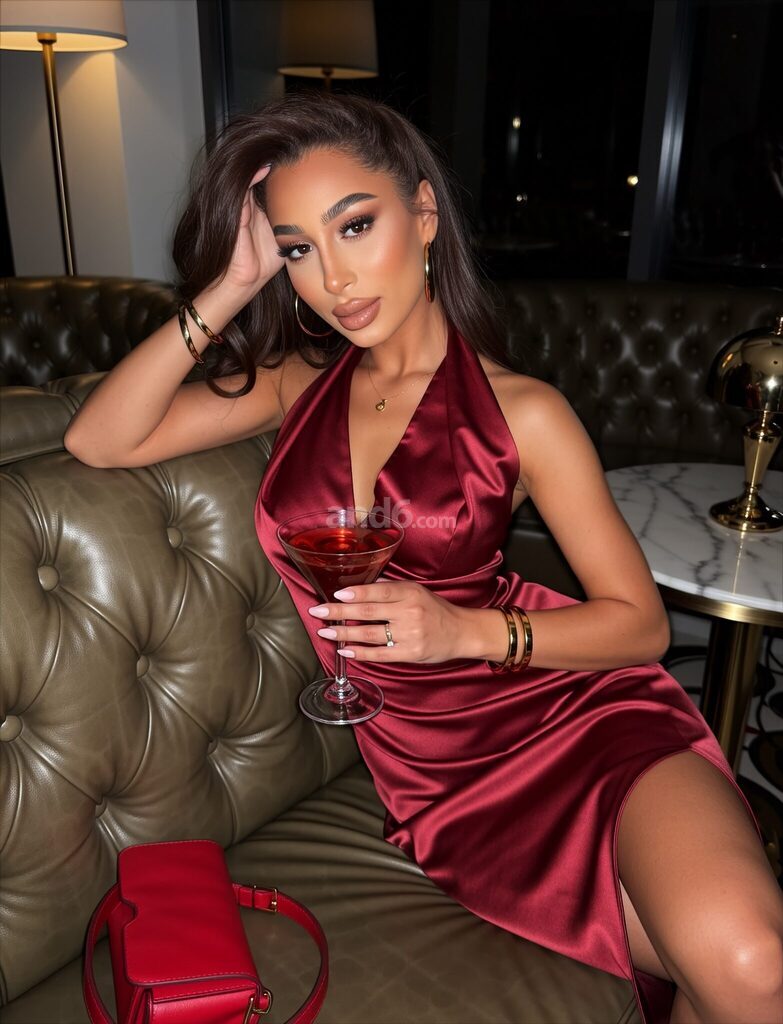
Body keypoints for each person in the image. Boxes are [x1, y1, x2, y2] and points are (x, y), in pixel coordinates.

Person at [63, 91, 783, 1024]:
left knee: (751, 964)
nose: (333, 277)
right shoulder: (295, 383)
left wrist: (462, 631)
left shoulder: (525, 412)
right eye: (298, 249)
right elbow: (100, 440)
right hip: (441, 776)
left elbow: (641, 627)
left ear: (424, 214)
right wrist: (235, 283)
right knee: (720, 971)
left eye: (355, 226)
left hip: (580, 715)